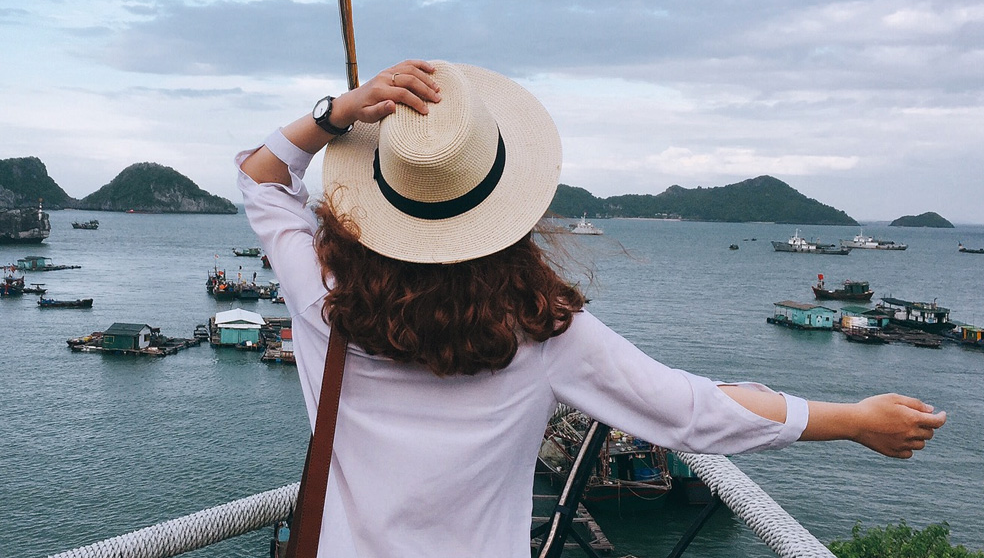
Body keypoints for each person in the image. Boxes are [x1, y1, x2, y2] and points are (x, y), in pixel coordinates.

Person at [236, 58, 946, 558]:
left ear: (379, 191)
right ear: (502, 204)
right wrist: (853, 421)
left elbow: (262, 177)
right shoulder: (541, 331)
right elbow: (692, 410)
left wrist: (339, 112)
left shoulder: (323, 294)